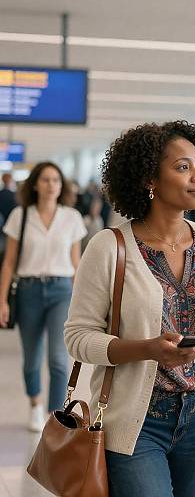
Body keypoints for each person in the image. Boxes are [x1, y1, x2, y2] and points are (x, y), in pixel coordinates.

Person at [64, 121, 195, 497]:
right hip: (136, 423)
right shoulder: (109, 247)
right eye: (183, 167)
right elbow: (78, 338)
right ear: (148, 179)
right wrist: (147, 349)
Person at [0, 162, 87, 432]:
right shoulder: (20, 215)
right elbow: (9, 261)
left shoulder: (71, 217)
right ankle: (35, 405)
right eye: (46, 180)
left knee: (59, 358)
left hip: (62, 290)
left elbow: (77, 263)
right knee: (32, 359)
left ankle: (54, 414)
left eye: (56, 180)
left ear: (62, 186)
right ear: (35, 184)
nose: (52, 185)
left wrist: (85, 302)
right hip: (28, 290)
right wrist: (2, 299)